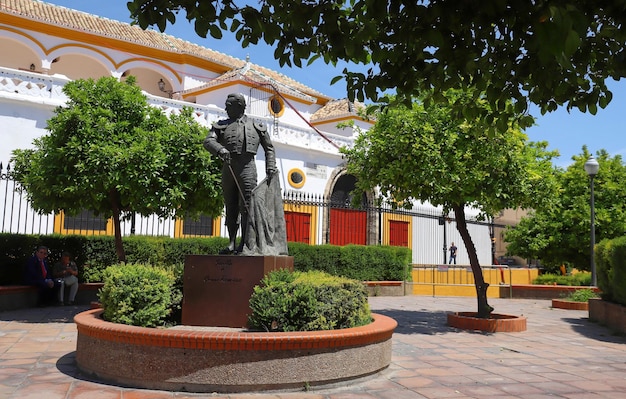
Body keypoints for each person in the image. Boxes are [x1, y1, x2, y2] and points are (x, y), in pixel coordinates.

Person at [203, 93, 279, 254]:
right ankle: (231, 242)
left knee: (247, 207)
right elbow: (208, 141)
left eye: (228, 106)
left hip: (247, 167)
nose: (225, 109)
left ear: (239, 106)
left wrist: (270, 167)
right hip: (229, 167)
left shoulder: (256, 126)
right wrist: (220, 149)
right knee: (231, 207)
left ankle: (246, 243)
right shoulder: (221, 125)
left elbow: (269, 148)